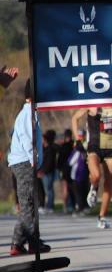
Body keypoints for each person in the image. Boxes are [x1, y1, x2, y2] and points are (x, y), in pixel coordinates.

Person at [72, 105, 112, 229]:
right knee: (96, 175)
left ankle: (102, 216)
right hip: (94, 147)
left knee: (109, 181)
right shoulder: (92, 104)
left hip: (110, 148)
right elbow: (75, 118)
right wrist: (77, 139)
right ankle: (94, 188)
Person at [8, 79, 51, 256]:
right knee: (28, 205)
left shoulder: (31, 113)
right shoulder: (27, 114)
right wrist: (34, 160)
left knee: (29, 204)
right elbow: (27, 139)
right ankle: (33, 242)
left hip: (26, 162)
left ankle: (18, 243)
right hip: (24, 162)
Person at [57, 129, 76, 214]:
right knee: (73, 188)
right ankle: (73, 205)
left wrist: (59, 168)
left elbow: (59, 160)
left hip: (64, 170)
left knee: (65, 188)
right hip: (73, 169)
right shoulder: (74, 145)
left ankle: (65, 206)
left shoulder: (63, 147)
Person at [39, 130, 58, 214]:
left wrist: (43, 171)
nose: (42, 140)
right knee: (46, 190)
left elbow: (49, 163)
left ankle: (50, 206)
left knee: (49, 190)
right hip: (43, 172)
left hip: (48, 173)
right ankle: (47, 205)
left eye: (43, 139)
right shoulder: (43, 148)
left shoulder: (50, 149)